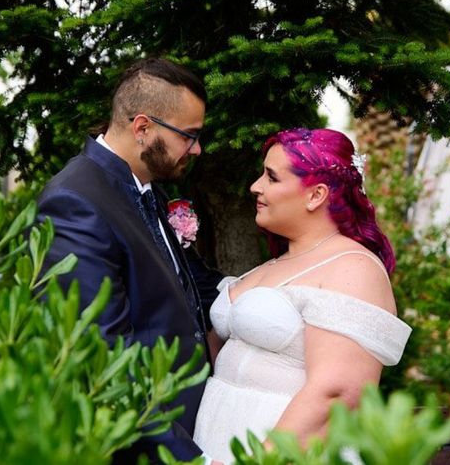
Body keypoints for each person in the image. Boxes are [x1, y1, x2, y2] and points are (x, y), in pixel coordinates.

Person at [35, 58, 223, 462]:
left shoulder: (145, 189)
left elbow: (183, 286)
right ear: (143, 128)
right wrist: (187, 458)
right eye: (188, 136)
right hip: (144, 445)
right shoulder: (76, 201)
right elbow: (102, 360)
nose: (197, 149)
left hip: (186, 421)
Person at [193, 128, 412, 463]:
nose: (256, 186)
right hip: (217, 439)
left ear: (316, 195)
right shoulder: (276, 263)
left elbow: (336, 393)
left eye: (272, 177)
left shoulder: (353, 268)